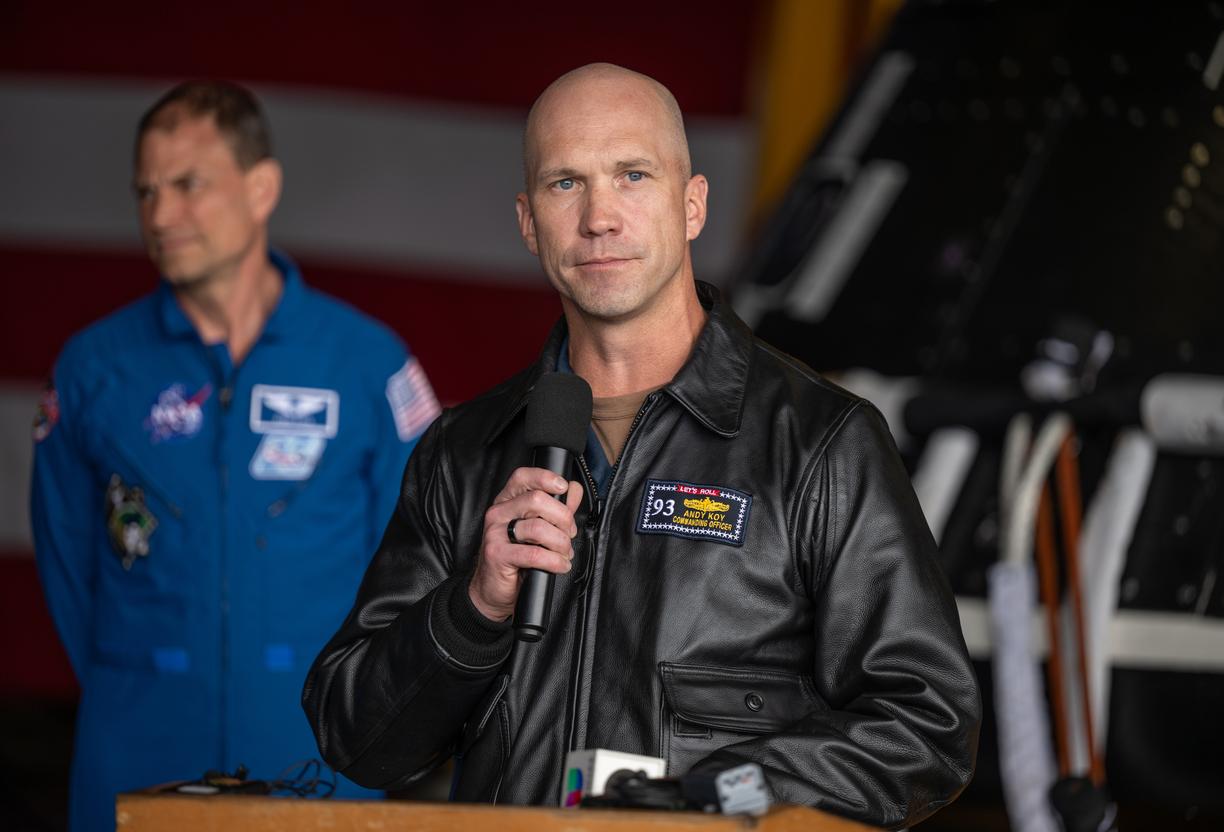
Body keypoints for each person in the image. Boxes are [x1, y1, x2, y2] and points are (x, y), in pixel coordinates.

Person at [303, 63, 979, 828]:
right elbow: (354, 738)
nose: (598, 217)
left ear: (691, 205)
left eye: (632, 175)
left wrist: (711, 797)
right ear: (529, 222)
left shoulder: (821, 442)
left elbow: (927, 726)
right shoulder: (463, 451)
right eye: (566, 184)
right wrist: (473, 609)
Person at [30, 81, 441, 832]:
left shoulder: (365, 362)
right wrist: (143, 678)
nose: (160, 215)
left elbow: (419, 557)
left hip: (321, 748)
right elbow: (66, 563)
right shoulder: (93, 368)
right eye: (146, 191)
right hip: (137, 743)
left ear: (261, 189)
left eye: (188, 185)